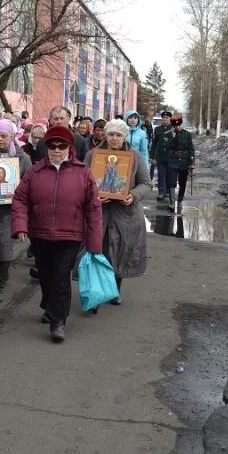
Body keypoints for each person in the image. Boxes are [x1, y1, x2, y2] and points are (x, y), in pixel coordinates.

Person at [11, 124, 102, 343]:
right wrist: (20, 226)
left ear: (69, 148)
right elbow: (20, 199)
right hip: (40, 234)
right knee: (45, 274)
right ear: (47, 147)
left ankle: (58, 321)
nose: (57, 150)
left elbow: (93, 208)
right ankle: (50, 305)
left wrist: (94, 241)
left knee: (61, 277)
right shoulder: (35, 171)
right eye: (52, 145)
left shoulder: (83, 172)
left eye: (62, 146)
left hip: (69, 236)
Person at [85, 120, 150, 311]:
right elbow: (83, 181)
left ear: (125, 137)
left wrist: (133, 195)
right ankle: (95, 294)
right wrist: (94, 195)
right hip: (100, 212)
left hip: (126, 213)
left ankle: (115, 289)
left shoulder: (135, 156)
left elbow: (146, 183)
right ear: (105, 135)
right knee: (98, 251)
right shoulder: (93, 155)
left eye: (119, 135)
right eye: (111, 134)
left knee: (120, 250)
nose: (114, 139)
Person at [0, 119, 31, 303]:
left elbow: (28, 184)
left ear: (12, 137)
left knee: (4, 250)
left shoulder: (22, 158)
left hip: (8, 211)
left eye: (4, 136)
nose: (0, 139)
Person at [164, 113, 196, 212]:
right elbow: (167, 147)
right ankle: (172, 202)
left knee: (182, 183)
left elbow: (191, 150)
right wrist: (172, 137)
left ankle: (180, 201)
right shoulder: (169, 134)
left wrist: (192, 164)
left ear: (180, 124)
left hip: (184, 161)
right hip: (173, 161)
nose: (176, 127)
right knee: (172, 182)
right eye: (174, 125)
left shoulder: (187, 134)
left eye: (178, 125)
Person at [150, 111, 173, 201]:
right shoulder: (158, 129)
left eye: (167, 118)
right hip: (160, 156)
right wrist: (152, 157)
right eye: (164, 117)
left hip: (171, 156)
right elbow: (154, 144)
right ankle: (161, 192)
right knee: (161, 175)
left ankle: (168, 191)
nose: (165, 119)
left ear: (170, 119)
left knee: (169, 175)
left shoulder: (173, 129)